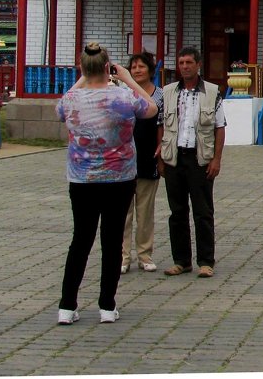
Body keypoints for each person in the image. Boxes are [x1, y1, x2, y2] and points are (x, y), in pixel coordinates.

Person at [56, 41, 158, 325]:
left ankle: (67, 306)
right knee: (112, 242)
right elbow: (151, 108)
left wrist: (83, 76)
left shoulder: (71, 99)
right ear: (106, 68)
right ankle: (107, 306)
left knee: (80, 240)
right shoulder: (122, 97)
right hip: (119, 178)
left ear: (82, 68)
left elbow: (59, 111)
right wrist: (126, 78)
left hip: (82, 179)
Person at [158, 46, 226, 278]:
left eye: (189, 62)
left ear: (198, 65)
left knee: (203, 211)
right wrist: (161, 158)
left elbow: (219, 127)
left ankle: (206, 261)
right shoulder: (168, 92)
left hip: (200, 158)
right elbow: (162, 126)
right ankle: (181, 260)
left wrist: (216, 158)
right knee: (177, 211)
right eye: (181, 63)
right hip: (174, 158)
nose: (185, 67)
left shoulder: (212, 92)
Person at [121, 51, 164, 274]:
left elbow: (162, 125)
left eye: (142, 66)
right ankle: (123, 256)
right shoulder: (121, 94)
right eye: (134, 67)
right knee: (123, 212)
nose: (137, 70)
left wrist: (161, 150)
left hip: (148, 158)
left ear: (150, 70)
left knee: (145, 211)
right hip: (123, 161)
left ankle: (145, 255)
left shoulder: (160, 96)